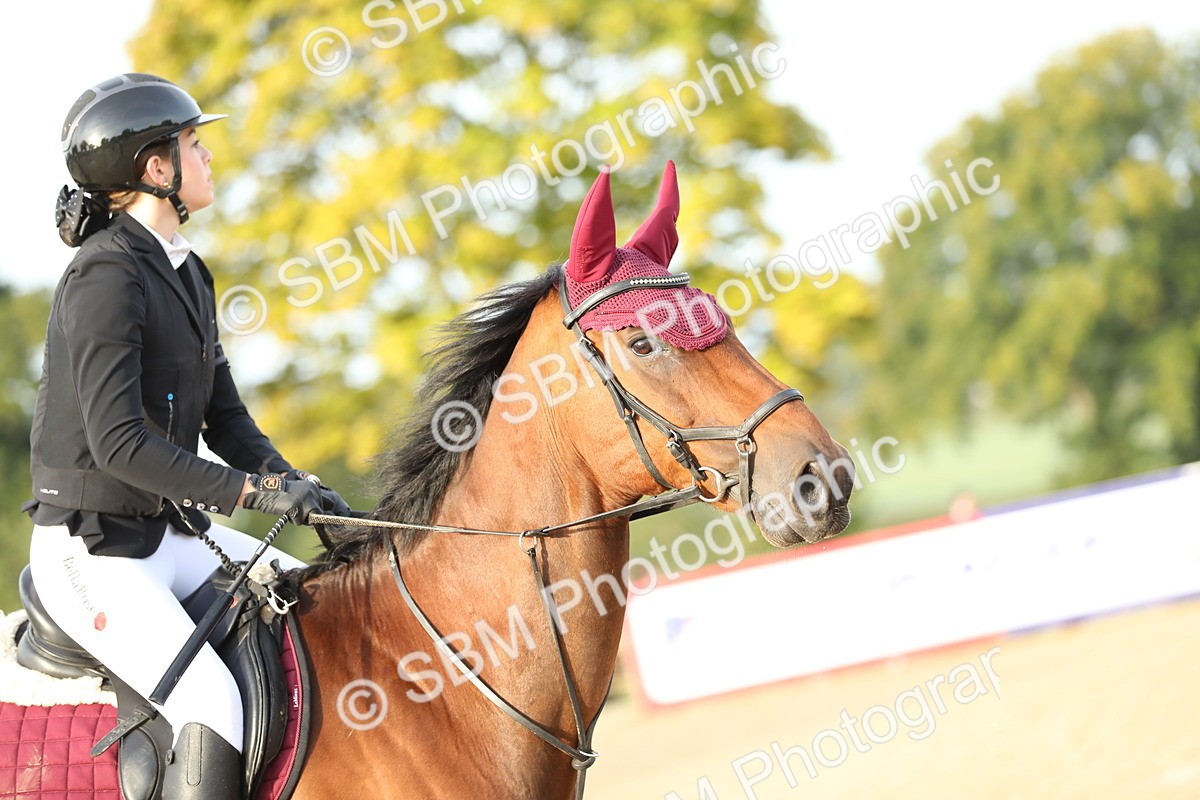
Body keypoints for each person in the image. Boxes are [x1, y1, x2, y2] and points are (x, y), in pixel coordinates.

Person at [25, 73, 350, 799]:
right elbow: (121, 446)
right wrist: (254, 491)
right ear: (156, 167)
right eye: (195, 145)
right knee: (209, 699)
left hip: (164, 537)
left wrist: (303, 490)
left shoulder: (188, 272)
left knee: (309, 599)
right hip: (93, 551)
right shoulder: (104, 278)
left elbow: (227, 420)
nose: (208, 160)